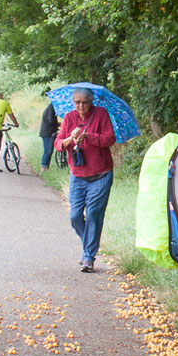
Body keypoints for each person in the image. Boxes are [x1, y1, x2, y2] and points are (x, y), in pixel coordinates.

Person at [56, 87, 116, 273]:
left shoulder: (101, 114)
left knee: (93, 216)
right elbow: (59, 144)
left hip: (101, 174)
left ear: (91, 101)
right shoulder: (69, 118)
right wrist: (69, 140)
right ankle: (88, 246)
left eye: (85, 102)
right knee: (74, 216)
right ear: (73, 102)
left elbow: (110, 139)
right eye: (77, 102)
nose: (81, 106)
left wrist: (89, 137)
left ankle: (88, 257)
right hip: (78, 175)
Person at [37, 98, 60, 171]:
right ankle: (43, 167)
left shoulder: (51, 108)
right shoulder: (51, 109)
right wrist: (57, 124)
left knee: (49, 150)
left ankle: (46, 166)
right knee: (48, 150)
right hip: (47, 133)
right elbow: (51, 121)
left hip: (47, 132)